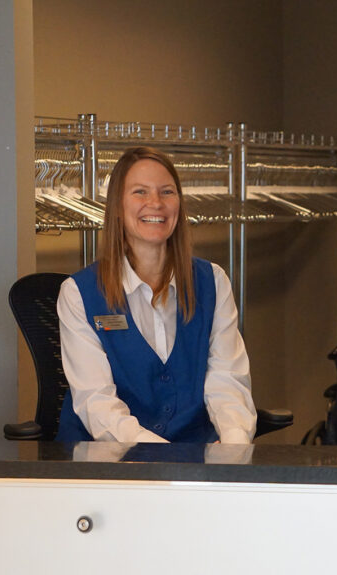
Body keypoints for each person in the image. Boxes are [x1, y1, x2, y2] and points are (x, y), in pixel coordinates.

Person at [55, 146, 257, 444]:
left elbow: (226, 380)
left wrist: (233, 445)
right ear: (117, 206)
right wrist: (159, 457)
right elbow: (96, 401)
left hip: (197, 463)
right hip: (107, 468)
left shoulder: (213, 282)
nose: (156, 203)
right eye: (140, 192)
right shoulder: (78, 294)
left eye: (167, 192)